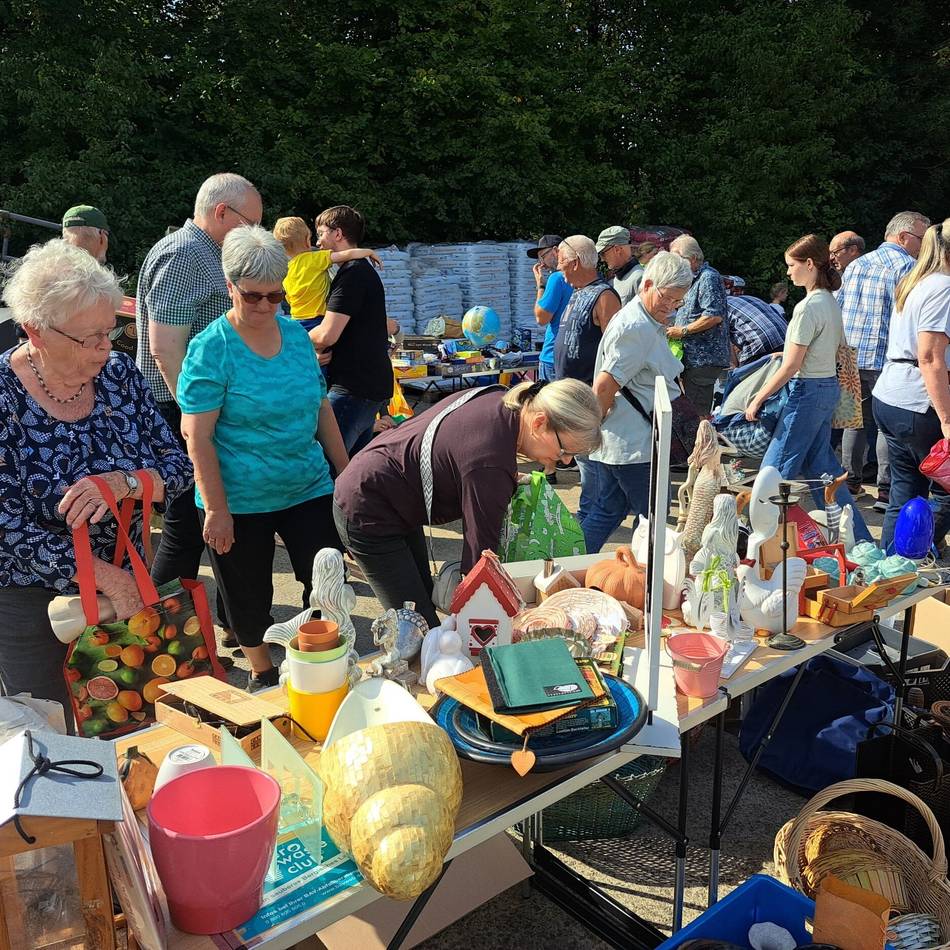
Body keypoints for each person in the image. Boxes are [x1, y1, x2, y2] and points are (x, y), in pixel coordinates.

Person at [0, 241, 191, 722]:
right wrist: (100, 575)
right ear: (35, 331)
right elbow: (5, 528)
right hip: (35, 606)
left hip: (127, 587)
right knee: (52, 731)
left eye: (111, 332)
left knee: (133, 720)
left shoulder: (120, 375)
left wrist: (125, 482)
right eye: (90, 338)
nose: (106, 348)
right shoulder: (4, 396)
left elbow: (179, 469)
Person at [178, 227, 348, 691]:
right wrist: (216, 509)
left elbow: (320, 407)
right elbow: (197, 434)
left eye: (277, 296)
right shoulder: (211, 348)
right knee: (248, 594)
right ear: (229, 286)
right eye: (254, 296)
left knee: (327, 580)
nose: (267, 307)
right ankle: (262, 671)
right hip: (238, 496)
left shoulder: (296, 336)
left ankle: (321, 661)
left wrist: (347, 473)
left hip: (306, 484)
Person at [333, 378, 603, 627]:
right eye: (565, 450)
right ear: (539, 423)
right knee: (417, 627)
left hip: (386, 488)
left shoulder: (503, 399)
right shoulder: (490, 464)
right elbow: (477, 566)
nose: (566, 461)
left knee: (421, 598)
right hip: (368, 508)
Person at [135, 172, 262, 645]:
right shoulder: (184, 255)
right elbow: (167, 348)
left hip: (197, 409)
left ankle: (231, 624)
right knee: (187, 525)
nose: (253, 235)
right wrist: (194, 421)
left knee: (219, 516)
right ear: (221, 212)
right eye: (250, 224)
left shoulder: (205, 253)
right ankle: (162, 637)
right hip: (180, 410)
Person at [745, 234, 870, 541]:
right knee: (822, 468)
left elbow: (792, 366)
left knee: (772, 473)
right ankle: (860, 541)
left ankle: (754, 542)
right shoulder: (829, 301)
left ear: (809, 264)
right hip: (826, 389)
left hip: (806, 392)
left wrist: (759, 397)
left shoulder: (806, 307)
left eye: (792, 265)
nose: (788, 272)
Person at [582, 252, 690, 553]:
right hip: (633, 445)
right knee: (652, 518)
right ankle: (648, 581)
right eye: (667, 298)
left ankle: (569, 567)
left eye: (677, 301)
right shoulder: (636, 328)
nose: (670, 307)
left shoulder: (643, 320)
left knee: (609, 510)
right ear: (648, 284)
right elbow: (603, 386)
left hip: (627, 441)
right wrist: (588, 433)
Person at [838, 211, 930, 507]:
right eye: (921, 239)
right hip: (883, 355)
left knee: (854, 421)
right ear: (903, 237)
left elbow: (839, 306)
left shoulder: (855, 265)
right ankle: (885, 489)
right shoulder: (909, 267)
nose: (924, 246)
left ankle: (849, 482)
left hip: (850, 355)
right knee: (884, 430)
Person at [872, 219, 950, 550]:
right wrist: (947, 420)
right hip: (918, 404)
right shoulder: (944, 288)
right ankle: (917, 551)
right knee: (943, 490)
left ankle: (893, 569)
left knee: (904, 494)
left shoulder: (917, 281)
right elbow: (930, 357)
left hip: (892, 398)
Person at [307, 206, 393, 454]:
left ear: (338, 234)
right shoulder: (355, 270)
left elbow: (327, 334)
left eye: (321, 233)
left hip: (354, 388)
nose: (317, 241)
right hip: (365, 386)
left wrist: (291, 337)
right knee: (354, 469)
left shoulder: (353, 274)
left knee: (326, 466)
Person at [553, 235, 621, 527]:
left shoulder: (604, 296)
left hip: (588, 401)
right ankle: (589, 516)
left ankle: (589, 522)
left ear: (575, 262)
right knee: (583, 463)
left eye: (560, 264)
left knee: (592, 466)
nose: (559, 270)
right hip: (572, 398)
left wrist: (600, 401)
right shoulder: (578, 292)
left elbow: (615, 353)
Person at [273, 216, 382, 329]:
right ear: (307, 240)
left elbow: (289, 299)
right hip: (317, 319)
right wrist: (368, 252)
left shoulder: (286, 271)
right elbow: (346, 255)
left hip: (297, 320)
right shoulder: (315, 258)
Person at [669, 234, 730, 415]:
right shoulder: (693, 279)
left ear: (693, 258)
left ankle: (701, 443)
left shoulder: (708, 277)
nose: (675, 264)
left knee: (698, 415)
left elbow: (714, 316)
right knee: (690, 411)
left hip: (704, 359)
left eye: (678, 259)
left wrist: (682, 330)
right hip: (694, 359)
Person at [529, 235, 572, 383]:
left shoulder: (557, 278)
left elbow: (541, 318)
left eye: (543, 256)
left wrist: (540, 285)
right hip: (575, 355)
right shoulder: (587, 277)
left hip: (552, 356)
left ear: (555, 251)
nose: (542, 263)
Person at [727, 289, 788, 366]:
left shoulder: (718, 309)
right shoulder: (747, 298)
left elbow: (726, 343)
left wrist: (735, 367)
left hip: (760, 342)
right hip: (786, 337)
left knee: (746, 376)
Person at [596, 226, 641, 306]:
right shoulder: (616, 278)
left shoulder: (639, 278)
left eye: (603, 253)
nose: (602, 259)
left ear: (617, 249)